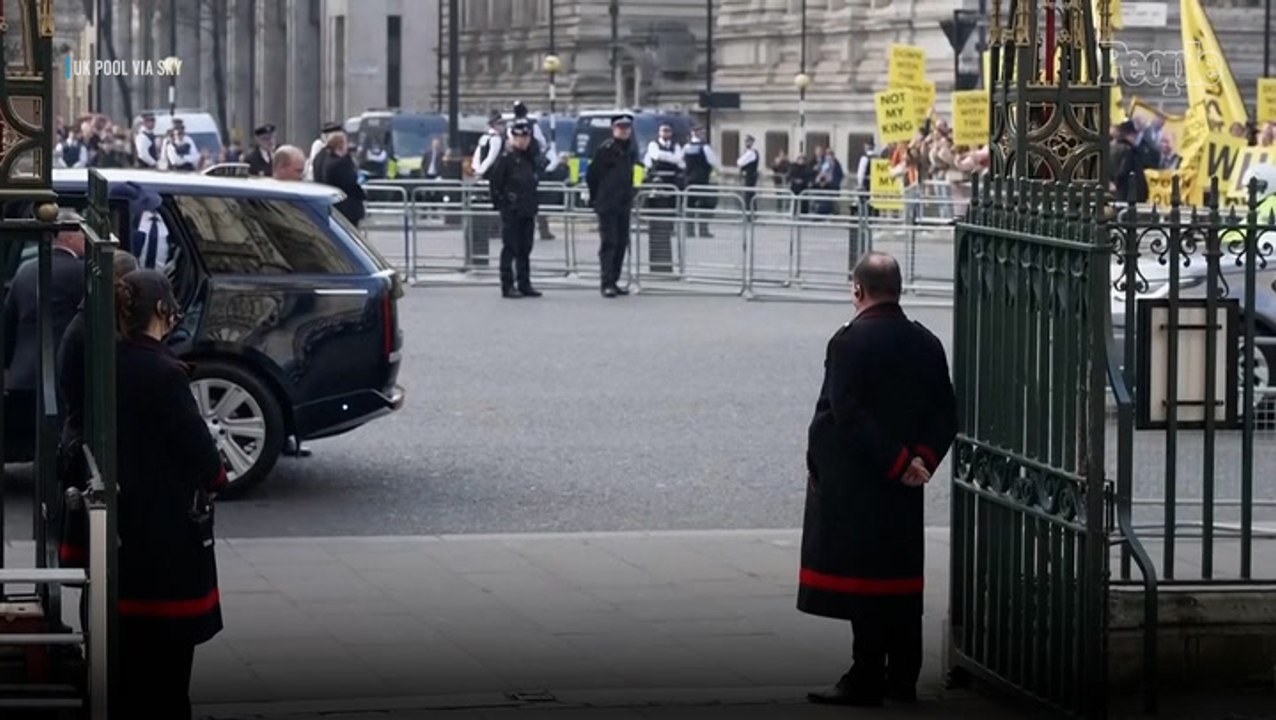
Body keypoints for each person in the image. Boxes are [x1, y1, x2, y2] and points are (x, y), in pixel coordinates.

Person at [801, 252, 957, 708]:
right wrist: (920, 461)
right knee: (901, 579)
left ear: (857, 290)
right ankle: (903, 677)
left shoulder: (848, 342)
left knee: (865, 580)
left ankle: (866, 674)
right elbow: (945, 410)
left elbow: (846, 413)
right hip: (908, 483)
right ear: (898, 288)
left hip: (862, 479)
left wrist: (895, 462)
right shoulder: (926, 342)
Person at [112, 269, 225, 719]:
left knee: (131, 663)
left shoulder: (113, 361)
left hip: (124, 526)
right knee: (169, 671)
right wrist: (217, 476)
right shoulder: (164, 373)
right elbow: (199, 449)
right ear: (163, 310)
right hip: (165, 527)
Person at [56, 251, 141, 570]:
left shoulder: (89, 320)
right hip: (88, 442)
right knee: (100, 563)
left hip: (81, 435)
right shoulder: (94, 329)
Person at [4, 208, 87, 404]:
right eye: (83, 236)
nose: (86, 242)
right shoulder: (81, 273)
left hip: (21, 377)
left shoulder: (25, 271)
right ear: (69, 238)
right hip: (62, 379)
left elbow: (8, 325)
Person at [487, 118, 543, 298]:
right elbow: (495, 183)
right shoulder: (506, 159)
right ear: (513, 138)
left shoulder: (529, 159)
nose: (523, 141)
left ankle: (524, 283)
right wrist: (502, 204)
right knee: (510, 248)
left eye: (526, 137)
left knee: (525, 248)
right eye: (519, 137)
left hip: (527, 209)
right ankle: (508, 284)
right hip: (512, 210)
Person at [586, 113, 639, 298]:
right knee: (609, 243)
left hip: (623, 203)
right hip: (608, 203)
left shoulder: (631, 149)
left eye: (627, 128)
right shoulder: (606, 149)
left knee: (621, 242)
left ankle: (614, 280)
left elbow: (633, 173)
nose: (624, 131)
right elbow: (592, 175)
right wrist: (597, 198)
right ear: (613, 129)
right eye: (621, 128)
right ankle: (606, 282)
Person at [642, 123, 685, 273]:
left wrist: (668, 157)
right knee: (657, 208)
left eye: (668, 130)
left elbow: (679, 159)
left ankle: (670, 226)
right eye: (663, 130)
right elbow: (656, 155)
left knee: (671, 205)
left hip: (671, 182)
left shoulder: (676, 145)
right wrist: (670, 157)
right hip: (658, 181)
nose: (665, 133)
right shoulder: (653, 144)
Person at [318, 132, 366, 227]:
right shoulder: (342, 163)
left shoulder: (328, 160)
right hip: (347, 207)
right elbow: (350, 182)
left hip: (339, 206)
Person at [682, 126, 720, 237]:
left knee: (690, 205)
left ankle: (689, 231)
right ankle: (703, 230)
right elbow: (714, 162)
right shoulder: (705, 147)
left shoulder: (686, 147)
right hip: (702, 180)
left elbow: (680, 162)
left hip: (689, 180)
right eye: (702, 133)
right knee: (703, 205)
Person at [736, 135, 760, 212]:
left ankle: (750, 210)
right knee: (749, 194)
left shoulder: (751, 153)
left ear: (752, 142)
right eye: (746, 141)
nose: (747, 143)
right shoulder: (749, 152)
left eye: (748, 141)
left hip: (750, 176)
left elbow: (739, 162)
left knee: (749, 194)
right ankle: (751, 210)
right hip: (750, 176)